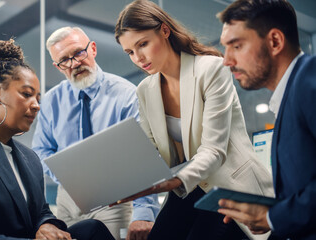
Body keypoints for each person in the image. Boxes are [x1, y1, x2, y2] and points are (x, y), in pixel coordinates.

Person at [113, 0, 274, 239]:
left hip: (228, 188)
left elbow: (214, 151)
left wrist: (173, 180)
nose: (138, 57)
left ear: (164, 31)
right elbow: (150, 151)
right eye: (130, 52)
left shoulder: (211, 69)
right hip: (187, 191)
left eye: (143, 44)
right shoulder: (145, 90)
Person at [0, 39, 115, 240]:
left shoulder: (29, 157)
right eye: (26, 94)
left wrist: (46, 226)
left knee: (92, 229)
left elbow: (42, 212)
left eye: (38, 98)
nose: (36, 106)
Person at [32, 26, 160, 240]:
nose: (74, 63)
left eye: (78, 53)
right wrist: (71, 176)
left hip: (114, 198)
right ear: (57, 66)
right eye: (64, 60)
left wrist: (144, 211)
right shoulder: (52, 100)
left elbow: (144, 155)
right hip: (67, 201)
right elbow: (41, 149)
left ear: (92, 48)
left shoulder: (127, 95)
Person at [217, 0, 316, 239]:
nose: (226, 60)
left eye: (236, 46)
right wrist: (269, 215)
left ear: (275, 41)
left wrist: (272, 217)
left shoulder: (309, 80)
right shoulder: (289, 94)